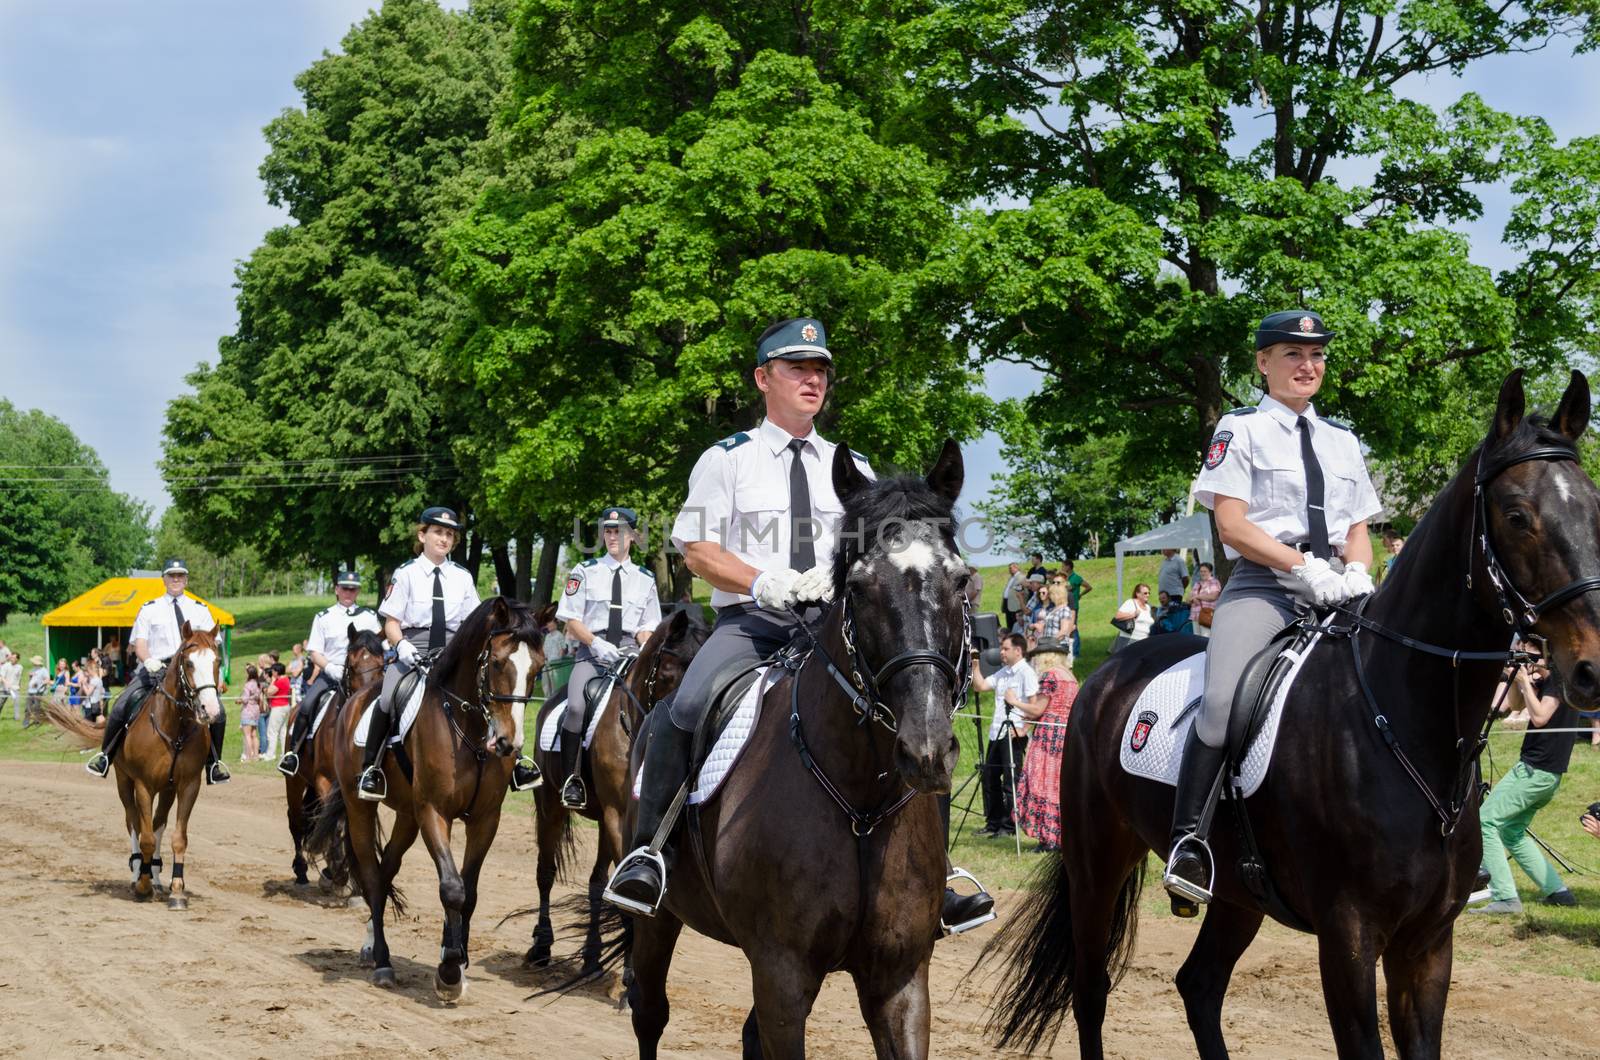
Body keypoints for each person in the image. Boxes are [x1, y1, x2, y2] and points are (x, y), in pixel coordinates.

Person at [605, 317, 994, 933]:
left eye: (820, 372)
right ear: (764, 379)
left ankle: (937, 871)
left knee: (920, 710)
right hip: (752, 624)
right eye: (797, 369)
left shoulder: (854, 467)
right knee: (684, 707)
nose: (812, 380)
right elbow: (698, 551)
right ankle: (649, 854)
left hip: (836, 630)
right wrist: (767, 581)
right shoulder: (727, 460)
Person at [1162, 309, 1381, 916]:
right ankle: (1190, 843)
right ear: (1262, 363)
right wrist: (1299, 566)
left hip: (1340, 587)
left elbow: (1359, 530)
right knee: (1225, 699)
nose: (1306, 366)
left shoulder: (1343, 440)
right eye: (1291, 354)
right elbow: (1230, 523)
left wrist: (1356, 572)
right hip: (1265, 585)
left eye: (1316, 356)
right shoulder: (1240, 430)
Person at [357, 506, 489, 800]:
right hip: (413, 650)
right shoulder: (406, 574)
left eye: (450, 534)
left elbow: (473, 623)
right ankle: (371, 768)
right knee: (389, 695)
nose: (444, 539)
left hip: (455, 653)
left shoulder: (462, 577)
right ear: (423, 534)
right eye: (438, 532)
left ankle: (509, 762)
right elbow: (391, 621)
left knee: (491, 692)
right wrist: (401, 645)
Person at [550, 506, 662, 808]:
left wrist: (642, 644)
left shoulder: (645, 578)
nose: (613, 536)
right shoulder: (584, 571)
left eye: (620, 531)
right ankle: (572, 780)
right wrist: (595, 642)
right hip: (592, 654)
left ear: (633, 536)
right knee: (575, 707)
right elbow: (570, 619)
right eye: (609, 531)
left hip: (629, 654)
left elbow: (647, 626)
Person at [86, 559, 230, 784]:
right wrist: (148, 659)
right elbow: (140, 643)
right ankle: (105, 755)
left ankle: (214, 764)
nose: (176, 579)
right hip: (156, 668)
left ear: (186, 579)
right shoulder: (149, 608)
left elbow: (211, 645)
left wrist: (215, 676)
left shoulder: (200, 609)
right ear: (163, 579)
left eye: (180, 575)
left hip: (190, 670)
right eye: (171, 575)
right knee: (122, 703)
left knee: (219, 713)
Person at [1472, 646, 1579, 913]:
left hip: (1536, 770)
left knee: (1485, 821)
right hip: (1546, 773)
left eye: (1530, 656)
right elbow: (1514, 707)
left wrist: (1524, 681)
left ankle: (1506, 897)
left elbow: (1540, 717)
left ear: (1548, 656)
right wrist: (1517, 681)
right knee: (1512, 831)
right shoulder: (1549, 679)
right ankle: (1558, 891)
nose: (1527, 661)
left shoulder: (1559, 678)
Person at [277, 570, 383, 777]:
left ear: (358, 591)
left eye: (352, 589)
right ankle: (293, 755)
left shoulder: (369, 617)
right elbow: (315, 651)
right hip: (331, 673)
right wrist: (330, 668)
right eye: (344, 588)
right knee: (307, 705)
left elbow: (380, 645)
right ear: (336, 589)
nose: (348, 593)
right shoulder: (324, 617)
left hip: (364, 677)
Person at [969, 633, 1038, 837]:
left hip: (1013, 734)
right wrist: (975, 664)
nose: (1002, 652)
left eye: (1005, 648)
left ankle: (1009, 826)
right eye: (1001, 648)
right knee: (989, 778)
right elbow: (980, 686)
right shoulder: (1003, 672)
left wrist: (1024, 729)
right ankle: (993, 822)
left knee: (1011, 781)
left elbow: (1034, 706)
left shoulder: (1027, 672)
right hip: (996, 732)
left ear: (1018, 650)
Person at [1014, 638, 1077, 852]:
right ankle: (1059, 835)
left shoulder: (1051, 676)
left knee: (1042, 782)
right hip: (1065, 733)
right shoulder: (1070, 676)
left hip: (1048, 735)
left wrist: (1014, 702)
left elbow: (1038, 709)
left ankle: (1048, 838)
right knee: (1057, 785)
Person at [1030, 575, 1075, 645]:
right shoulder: (1053, 609)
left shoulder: (1064, 609)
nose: (1050, 596)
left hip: (1057, 645)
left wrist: (1050, 642)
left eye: (1051, 594)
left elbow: (1064, 631)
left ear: (1057, 595)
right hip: (1048, 645)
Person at [1110, 583, 1154, 651]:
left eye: (1149, 593)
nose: (1147, 595)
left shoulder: (1148, 607)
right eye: (1145, 593)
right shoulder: (1130, 602)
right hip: (1129, 640)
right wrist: (1133, 615)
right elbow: (1117, 616)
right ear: (1137, 594)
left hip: (1144, 641)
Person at [1061, 559, 1091, 658]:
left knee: (1073, 628)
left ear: (1068, 567)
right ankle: (1067, 650)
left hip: (1073, 606)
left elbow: (1088, 587)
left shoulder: (1076, 578)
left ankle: (1076, 653)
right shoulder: (1064, 577)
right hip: (1064, 606)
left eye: (1063, 566)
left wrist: (1080, 594)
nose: (1062, 568)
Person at [1189, 562, 1223, 639]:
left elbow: (1213, 597)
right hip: (1195, 616)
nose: (1202, 573)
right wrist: (1194, 599)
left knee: (1205, 638)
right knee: (1196, 638)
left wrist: (1197, 596)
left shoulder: (1214, 582)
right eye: (1201, 571)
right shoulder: (1197, 583)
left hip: (1206, 614)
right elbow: (1188, 598)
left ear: (1210, 572)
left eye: (1205, 571)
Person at [239, 664, 263, 762]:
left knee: (247, 735)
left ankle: (248, 757)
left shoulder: (248, 685)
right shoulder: (258, 684)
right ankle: (256, 756)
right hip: (255, 710)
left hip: (248, 710)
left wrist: (239, 700)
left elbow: (245, 699)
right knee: (254, 734)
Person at [25, 656, 49, 727]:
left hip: (38, 692)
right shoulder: (33, 669)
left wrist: (39, 684)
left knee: (36, 707)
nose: (33, 663)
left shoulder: (44, 670)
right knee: (27, 707)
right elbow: (31, 679)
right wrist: (30, 676)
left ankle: (37, 721)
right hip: (30, 691)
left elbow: (47, 680)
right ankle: (26, 722)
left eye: (34, 662)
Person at [1001, 562, 1023, 631]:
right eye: (1009, 568)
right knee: (1009, 623)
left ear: (1016, 568)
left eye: (1011, 568)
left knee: (1014, 622)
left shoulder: (1021, 577)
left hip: (1015, 605)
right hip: (1007, 602)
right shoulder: (1011, 578)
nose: (1009, 570)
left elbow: (1020, 590)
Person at [0, 651, 20, 723]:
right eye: (11, 657)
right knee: (0, 703)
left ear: (17, 659)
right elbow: (2, 677)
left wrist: (17, 686)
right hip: (4, 688)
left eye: (14, 658)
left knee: (16, 703)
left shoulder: (20, 667)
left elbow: (18, 678)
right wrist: (6, 683)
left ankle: (17, 718)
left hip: (14, 688)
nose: (12, 659)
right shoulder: (5, 666)